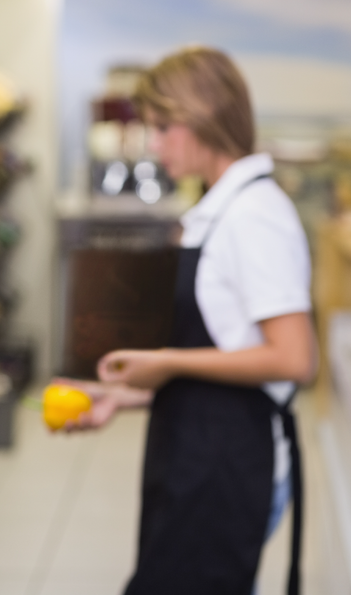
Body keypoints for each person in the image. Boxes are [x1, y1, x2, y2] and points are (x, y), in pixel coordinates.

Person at [60, 47, 316, 595]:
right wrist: (125, 397)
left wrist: (165, 361)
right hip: (196, 446)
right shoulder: (221, 209)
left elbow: (294, 358)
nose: (154, 145)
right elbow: (229, 351)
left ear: (205, 116)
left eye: (162, 127)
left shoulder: (255, 216)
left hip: (226, 464)